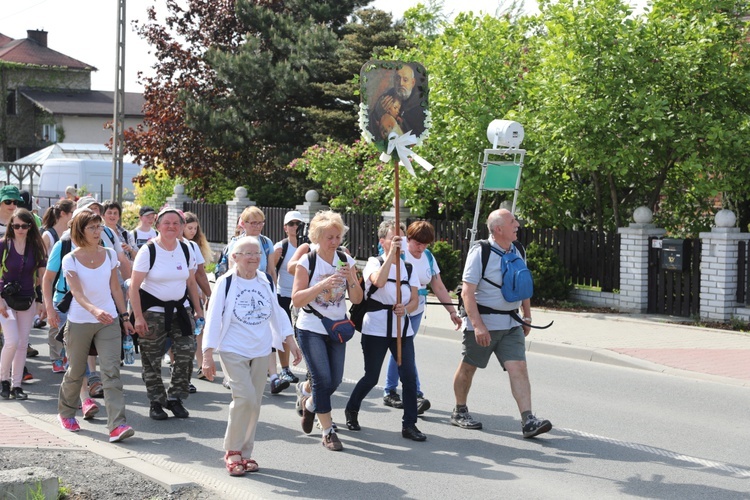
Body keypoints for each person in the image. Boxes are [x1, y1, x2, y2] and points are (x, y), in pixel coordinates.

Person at [201, 236, 302, 475]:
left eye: (257, 253)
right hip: (232, 348)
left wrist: (290, 340)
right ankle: (232, 451)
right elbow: (213, 319)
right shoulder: (226, 282)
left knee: (254, 403)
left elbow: (276, 312)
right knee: (244, 398)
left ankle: (245, 454)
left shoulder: (265, 280)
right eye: (247, 253)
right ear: (235, 257)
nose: (254, 257)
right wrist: (207, 355)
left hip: (261, 349)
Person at [451, 208, 552, 438]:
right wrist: (477, 326)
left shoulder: (518, 249)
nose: (517, 224)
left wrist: (527, 315)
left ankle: (528, 420)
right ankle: (460, 411)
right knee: (469, 366)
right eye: (512, 221)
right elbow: (467, 292)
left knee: (520, 367)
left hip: (511, 323)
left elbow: (523, 283)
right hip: (484, 323)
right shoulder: (480, 252)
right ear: (498, 229)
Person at [56, 209, 136, 442]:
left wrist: (124, 317)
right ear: (80, 231)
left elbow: (115, 288)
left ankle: (117, 425)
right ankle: (66, 412)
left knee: (111, 372)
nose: (97, 231)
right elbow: (76, 293)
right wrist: (94, 310)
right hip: (80, 320)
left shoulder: (110, 254)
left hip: (108, 321)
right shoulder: (70, 258)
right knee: (76, 371)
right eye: (92, 227)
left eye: (99, 227)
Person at [344, 220, 426, 442]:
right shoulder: (373, 262)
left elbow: (415, 299)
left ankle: (409, 424)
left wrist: (405, 308)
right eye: (394, 238)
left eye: (402, 238)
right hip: (377, 327)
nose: (400, 242)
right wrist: (392, 255)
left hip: (401, 329)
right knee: (371, 376)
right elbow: (378, 282)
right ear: (383, 241)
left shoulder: (409, 268)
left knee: (408, 377)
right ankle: (351, 409)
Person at [292, 210, 362, 451]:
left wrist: (351, 278)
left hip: (336, 327)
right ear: (317, 237)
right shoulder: (307, 261)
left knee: (335, 380)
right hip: (311, 327)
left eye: (337, 236)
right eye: (329, 237)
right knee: (321, 379)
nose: (334, 242)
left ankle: (310, 403)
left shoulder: (345, 259)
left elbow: (358, 298)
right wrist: (323, 283)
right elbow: (298, 299)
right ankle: (328, 431)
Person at [129, 208, 203, 420]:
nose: (171, 227)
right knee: (152, 358)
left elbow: (190, 281)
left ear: (181, 227)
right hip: (152, 312)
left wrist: (198, 310)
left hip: (181, 310)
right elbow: (134, 287)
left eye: (176, 223)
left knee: (187, 352)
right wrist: (138, 317)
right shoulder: (148, 250)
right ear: (158, 226)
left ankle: (175, 398)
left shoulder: (187, 248)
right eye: (166, 223)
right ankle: (156, 402)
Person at [382, 220, 462, 413]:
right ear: (408, 239)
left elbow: (439, 286)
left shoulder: (427, 256)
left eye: (426, 244)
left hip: (416, 311)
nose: (421, 248)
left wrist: (452, 311)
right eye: (418, 243)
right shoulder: (400, 252)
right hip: (399, 309)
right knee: (403, 349)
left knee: (402, 349)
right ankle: (411, 393)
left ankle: (392, 389)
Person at [226, 206, 285, 394]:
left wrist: (273, 292)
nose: (258, 226)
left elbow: (270, 269)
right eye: (253, 223)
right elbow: (231, 272)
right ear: (243, 223)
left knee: (267, 332)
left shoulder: (266, 242)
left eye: (260, 222)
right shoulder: (236, 243)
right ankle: (233, 375)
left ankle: (274, 376)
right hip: (241, 295)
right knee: (240, 333)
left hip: (261, 292)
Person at [0, 208, 47, 400]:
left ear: (30, 227)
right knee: (12, 340)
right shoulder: (3, 245)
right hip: (6, 301)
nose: (20, 229)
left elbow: (43, 276)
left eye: (24, 225)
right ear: (11, 225)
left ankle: (16, 385)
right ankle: (3, 379)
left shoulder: (35, 247)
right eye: (16, 225)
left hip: (27, 300)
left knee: (22, 344)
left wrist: (41, 300)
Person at [41, 199, 76, 372]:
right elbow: (42, 263)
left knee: (72, 331)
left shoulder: (95, 243)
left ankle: (68, 358)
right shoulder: (55, 239)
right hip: (59, 290)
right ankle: (56, 358)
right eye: (72, 213)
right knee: (56, 328)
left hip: (76, 294)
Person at [272, 210, 304, 385]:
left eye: (298, 224)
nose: (295, 227)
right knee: (284, 333)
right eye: (291, 224)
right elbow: (272, 270)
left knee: (301, 333)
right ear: (285, 227)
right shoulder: (281, 246)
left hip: (300, 296)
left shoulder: (305, 245)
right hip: (283, 294)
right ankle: (284, 369)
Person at [183, 211, 213, 382]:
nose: (193, 231)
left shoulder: (194, 247)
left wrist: (209, 294)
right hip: (173, 295)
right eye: (189, 228)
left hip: (193, 294)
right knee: (179, 333)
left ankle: (201, 365)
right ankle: (175, 366)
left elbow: (200, 274)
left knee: (198, 328)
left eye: (195, 228)